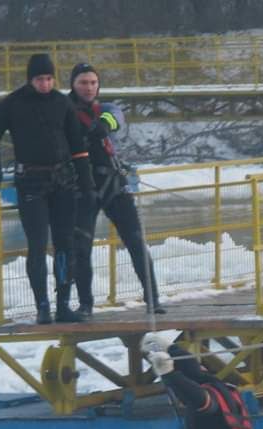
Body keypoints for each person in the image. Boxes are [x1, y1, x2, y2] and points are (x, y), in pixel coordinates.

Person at [0, 53, 95, 324]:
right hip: (31, 181)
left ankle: (63, 304)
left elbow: (77, 146)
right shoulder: (12, 104)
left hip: (63, 181)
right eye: (39, 79)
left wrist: (86, 181)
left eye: (48, 79)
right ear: (30, 79)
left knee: (65, 244)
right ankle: (42, 306)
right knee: (37, 245)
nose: (44, 84)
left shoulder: (62, 102)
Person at [68, 62, 164, 316]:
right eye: (83, 83)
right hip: (82, 187)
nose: (89, 88)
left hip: (112, 184)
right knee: (81, 248)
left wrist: (104, 126)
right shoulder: (64, 111)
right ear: (73, 85)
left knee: (135, 240)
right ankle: (86, 305)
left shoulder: (106, 109)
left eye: (93, 83)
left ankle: (153, 298)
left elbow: (115, 118)